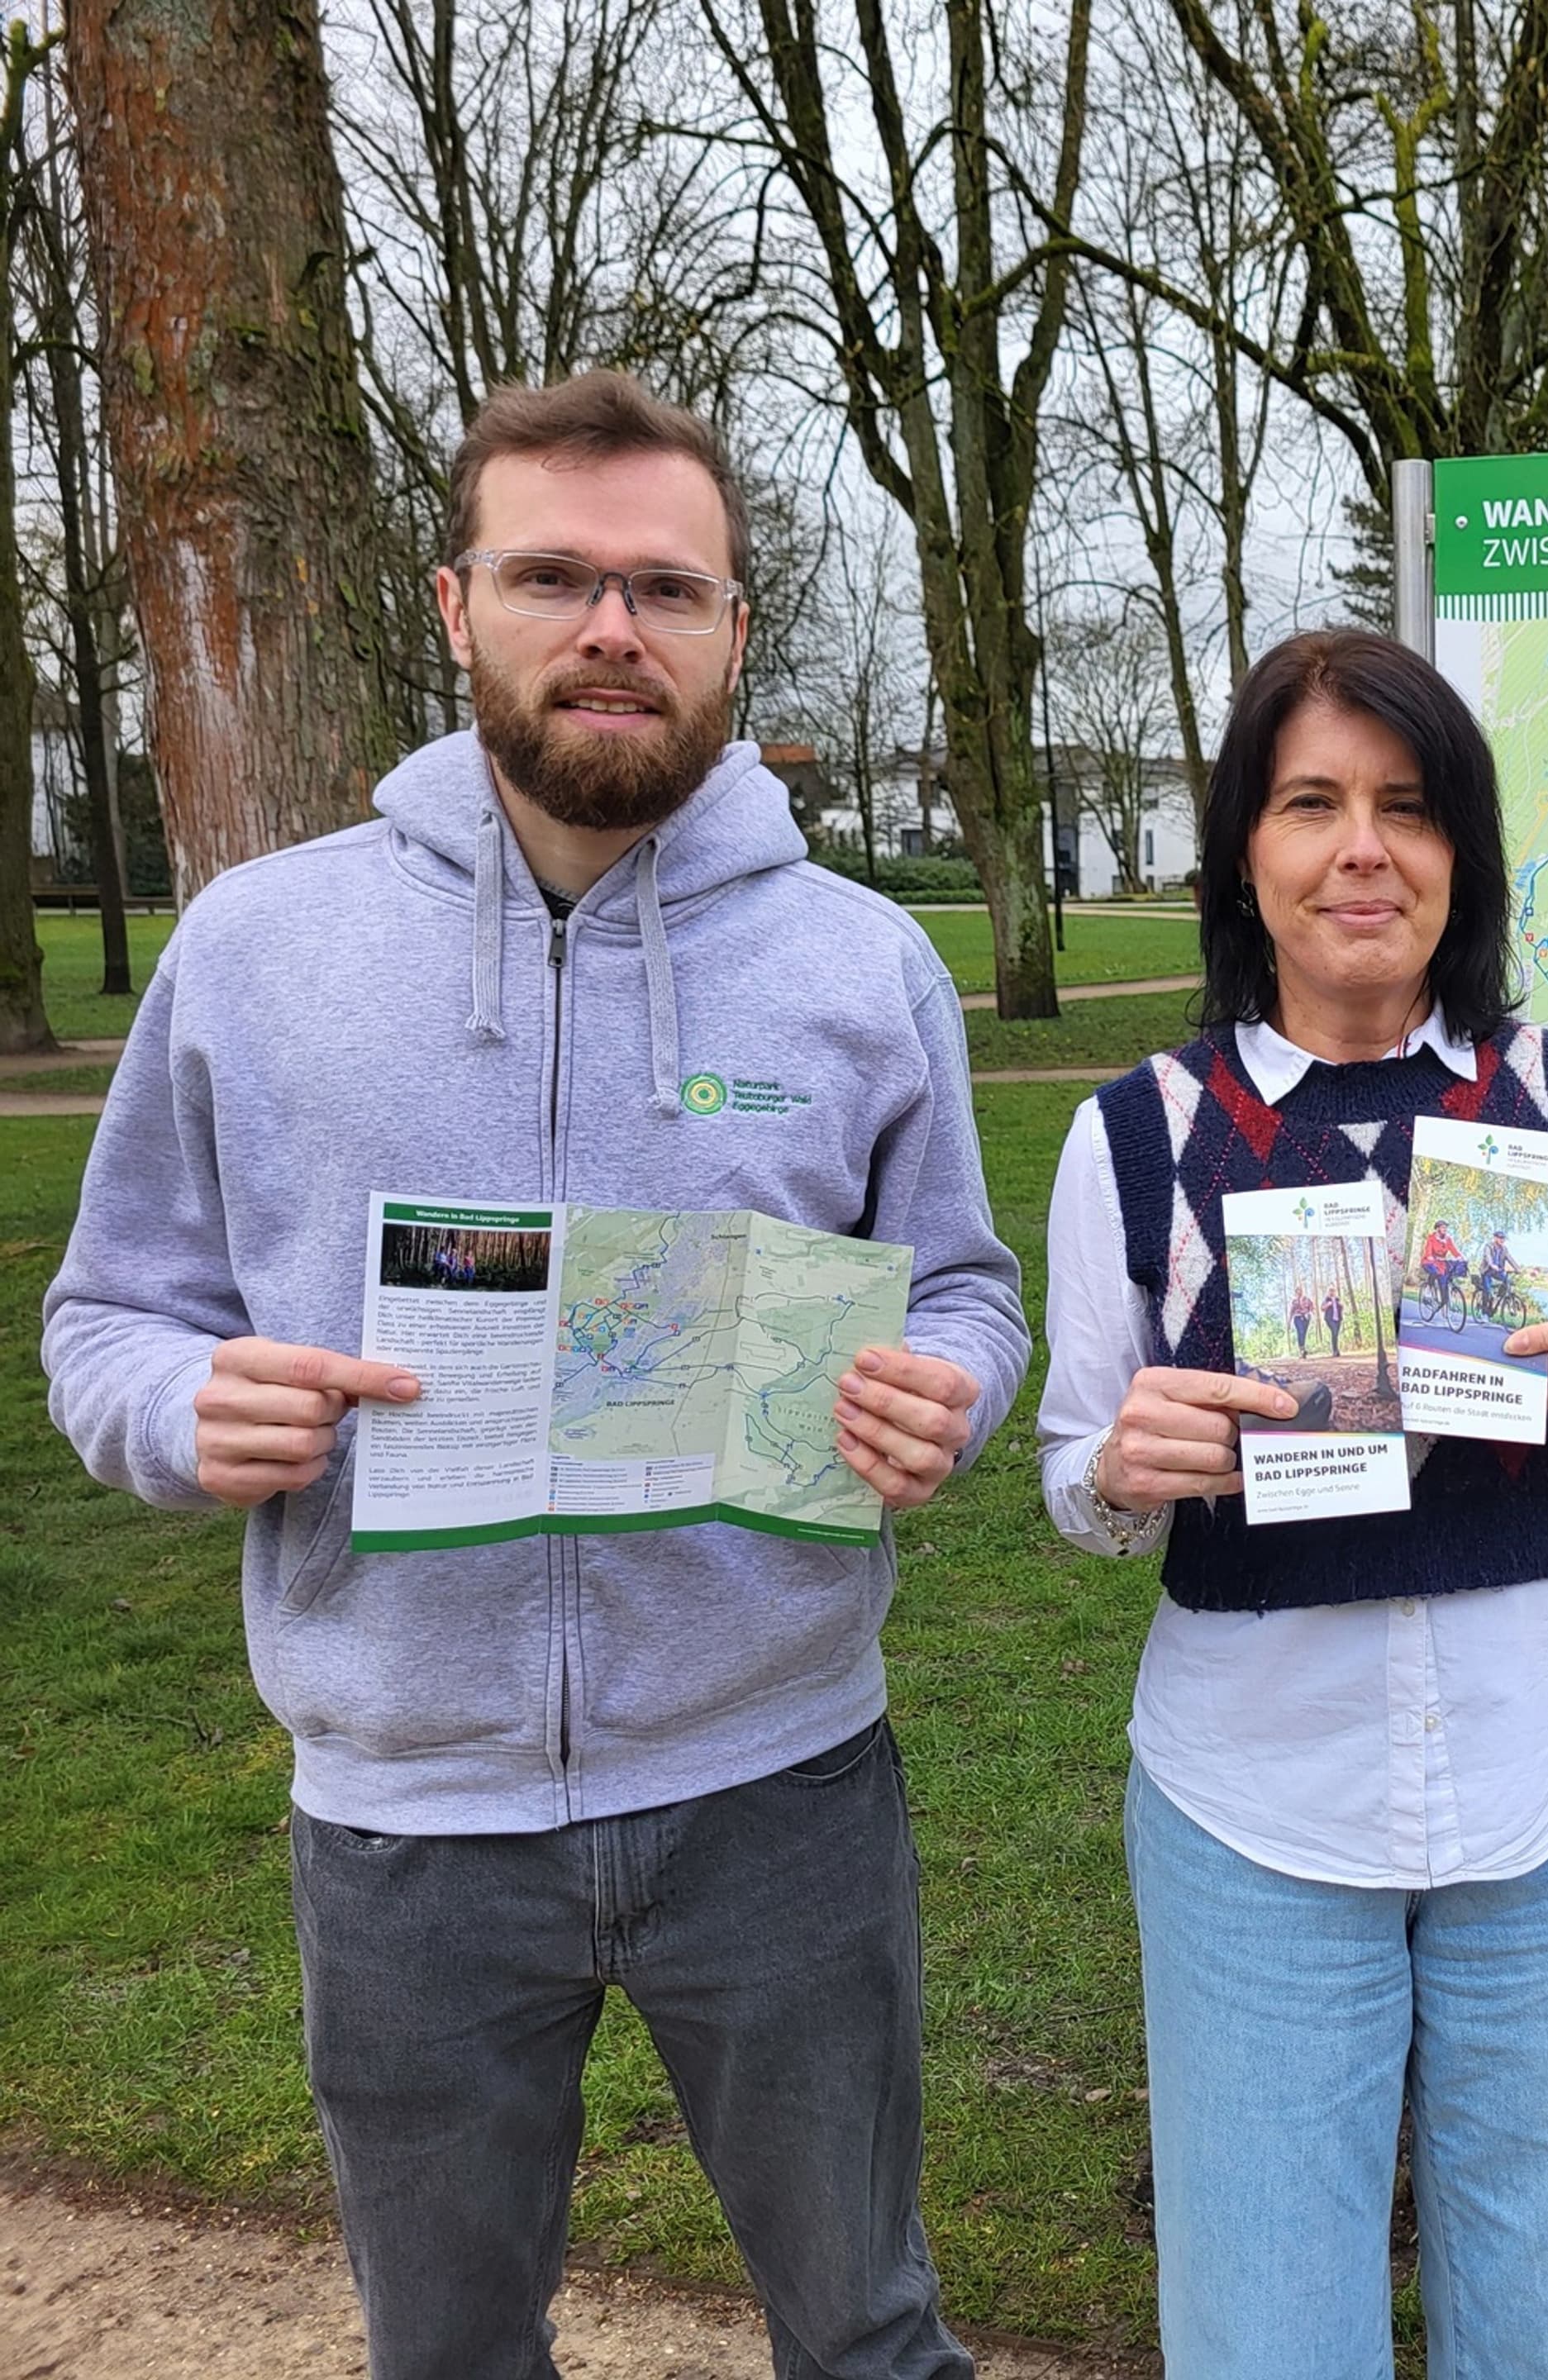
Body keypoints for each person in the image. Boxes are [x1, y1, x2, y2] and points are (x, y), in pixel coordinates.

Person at [41, 370, 1031, 2380]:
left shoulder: (859, 963)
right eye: (556, 577)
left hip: (780, 1787)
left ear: (736, 632)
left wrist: (946, 1383)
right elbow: (107, 1315)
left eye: (667, 589)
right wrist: (178, 1411)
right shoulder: (254, 947)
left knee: (868, 2330)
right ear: (455, 600)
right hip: (407, 1818)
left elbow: (967, 1289)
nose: (611, 628)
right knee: (452, 2356)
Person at [1036, 628, 1548, 2378]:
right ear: (1243, 853)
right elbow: (1072, 1471)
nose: (1361, 848)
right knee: (1265, 2331)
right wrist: (1119, 1472)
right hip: (1255, 1802)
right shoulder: (1136, 1136)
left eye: (1407, 807)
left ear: (1460, 850)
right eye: (1311, 802)